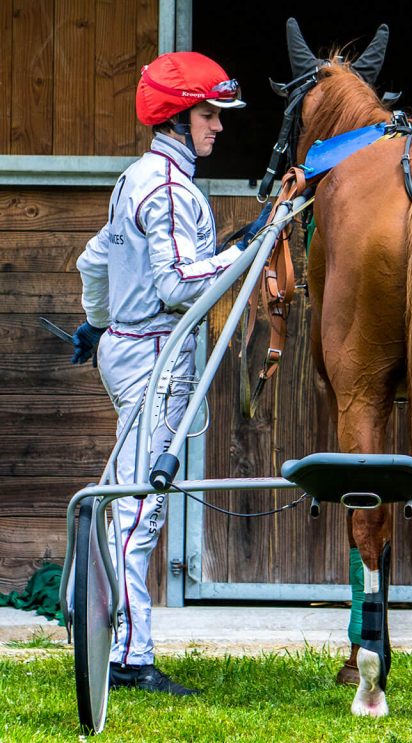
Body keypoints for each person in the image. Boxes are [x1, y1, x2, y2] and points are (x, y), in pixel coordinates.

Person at [73, 51, 265, 696]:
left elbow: (93, 259)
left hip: (130, 348)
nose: (219, 127)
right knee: (138, 506)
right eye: (211, 115)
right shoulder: (173, 189)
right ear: (179, 118)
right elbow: (181, 284)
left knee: (130, 494)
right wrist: (248, 246)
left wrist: (99, 322)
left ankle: (101, 626)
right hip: (155, 356)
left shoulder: (136, 177)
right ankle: (128, 658)